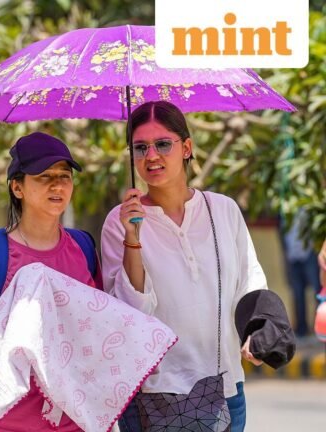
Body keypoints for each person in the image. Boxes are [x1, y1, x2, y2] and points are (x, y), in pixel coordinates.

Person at [101, 101, 266, 432]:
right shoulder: (119, 224)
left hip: (225, 387)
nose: (151, 156)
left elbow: (249, 279)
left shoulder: (223, 210)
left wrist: (256, 329)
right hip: (153, 397)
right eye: (140, 147)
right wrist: (133, 237)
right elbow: (128, 314)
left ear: (187, 147)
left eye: (163, 144)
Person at [0, 132, 102, 432]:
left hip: (70, 421)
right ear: (17, 187)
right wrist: (18, 316)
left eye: (65, 175)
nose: (58, 185)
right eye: (44, 176)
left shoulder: (83, 248)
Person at [279, 209, 321, 336]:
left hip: (309, 254)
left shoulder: (307, 206)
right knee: (297, 294)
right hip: (292, 256)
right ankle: (301, 329)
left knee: (318, 292)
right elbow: (282, 234)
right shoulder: (282, 209)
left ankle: (320, 328)